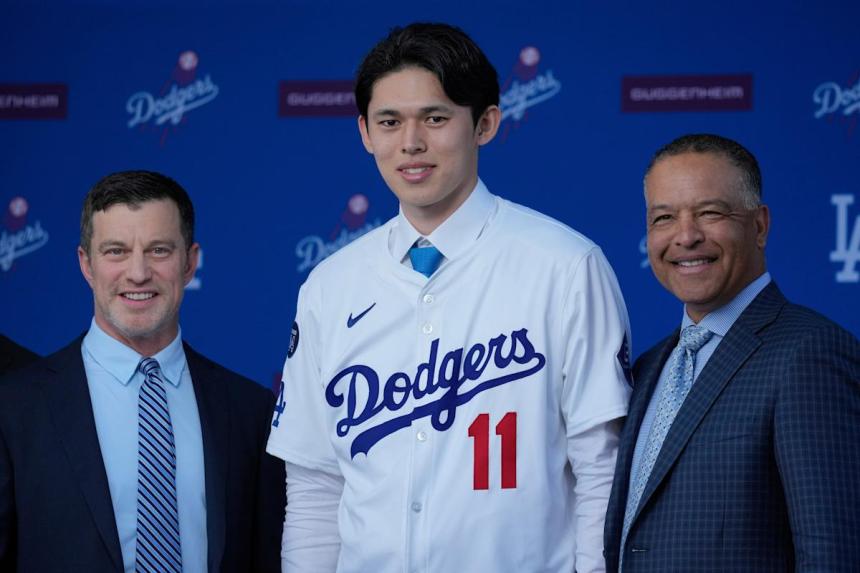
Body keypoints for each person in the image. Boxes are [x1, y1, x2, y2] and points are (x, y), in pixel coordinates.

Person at [266, 22, 632, 573]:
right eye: (389, 122)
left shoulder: (565, 266)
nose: (411, 143)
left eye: (435, 118)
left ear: (484, 124)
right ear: (365, 132)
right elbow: (318, 488)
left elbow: (600, 469)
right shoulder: (329, 285)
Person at [0, 170, 285, 572]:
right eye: (116, 251)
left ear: (190, 262)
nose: (137, 273)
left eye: (159, 251)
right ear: (86, 264)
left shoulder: (250, 411)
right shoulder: (14, 409)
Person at [603, 134, 860, 572]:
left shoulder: (810, 352)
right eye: (663, 217)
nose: (686, 236)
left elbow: (834, 553)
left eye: (709, 213)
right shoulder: (646, 369)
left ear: (759, 225)